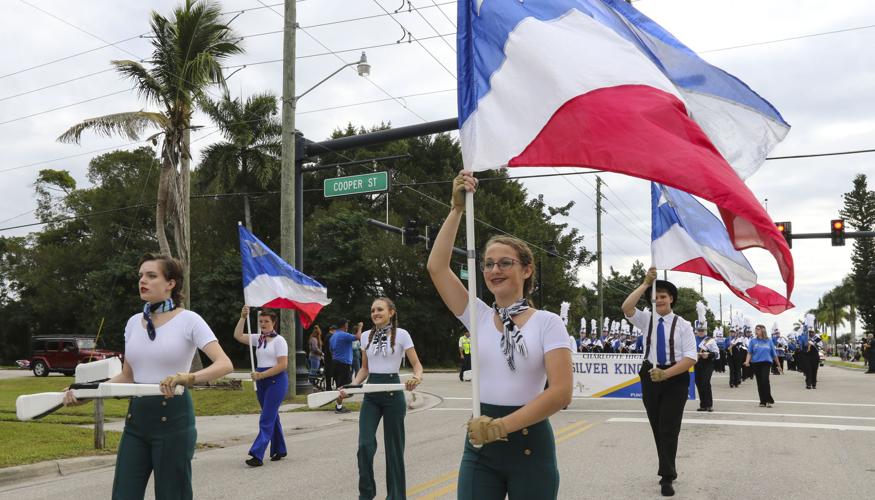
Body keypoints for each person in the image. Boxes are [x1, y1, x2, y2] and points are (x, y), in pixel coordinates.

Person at [427, 170, 572, 500]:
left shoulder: (548, 323)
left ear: (526, 269)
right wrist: (456, 209)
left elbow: (561, 393)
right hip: (480, 447)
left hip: (530, 448)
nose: (494, 270)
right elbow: (437, 268)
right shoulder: (477, 315)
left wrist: (501, 427)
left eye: (505, 263)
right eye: (488, 264)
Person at [64, 253, 233, 499]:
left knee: (172, 494)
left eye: (152, 276)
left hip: (174, 419)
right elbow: (127, 376)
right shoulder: (133, 323)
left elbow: (224, 364)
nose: (142, 280)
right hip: (136, 421)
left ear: (171, 283)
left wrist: (187, 378)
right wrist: (85, 394)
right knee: (123, 494)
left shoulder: (189, 320)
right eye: (141, 275)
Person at [338, 297, 423, 500]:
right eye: (373, 310)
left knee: (394, 451)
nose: (375, 313)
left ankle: (395, 497)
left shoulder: (402, 334)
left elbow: (417, 365)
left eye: (380, 309)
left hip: (394, 394)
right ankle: (366, 494)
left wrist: (416, 377)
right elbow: (364, 369)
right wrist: (352, 387)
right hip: (371, 395)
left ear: (391, 312)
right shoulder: (365, 336)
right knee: (364, 446)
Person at [622, 267, 696, 497]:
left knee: (669, 428)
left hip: (675, 378)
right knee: (657, 426)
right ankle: (667, 467)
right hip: (650, 374)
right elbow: (626, 307)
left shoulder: (683, 325)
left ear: (671, 298)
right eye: (655, 297)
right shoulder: (647, 320)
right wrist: (646, 284)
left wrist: (667, 374)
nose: (659, 300)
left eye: (663, 296)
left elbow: (690, 358)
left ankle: (667, 476)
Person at [233, 306, 288, 466]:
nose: (263, 324)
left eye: (266, 321)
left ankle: (257, 454)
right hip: (261, 381)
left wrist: (262, 375)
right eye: (261, 321)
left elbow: (282, 365)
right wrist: (243, 317)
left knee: (266, 418)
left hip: (276, 381)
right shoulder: (258, 338)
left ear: (274, 323)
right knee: (272, 416)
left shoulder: (279, 340)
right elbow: (237, 335)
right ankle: (279, 449)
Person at [330, 319, 362, 413]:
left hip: (335, 362)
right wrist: (360, 327)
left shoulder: (333, 336)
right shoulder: (344, 335)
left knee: (340, 386)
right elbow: (358, 337)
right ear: (345, 325)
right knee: (347, 390)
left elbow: (331, 349)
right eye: (347, 323)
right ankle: (336, 401)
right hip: (343, 364)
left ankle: (339, 406)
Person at [744, 324, 780, 407]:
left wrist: (778, 365)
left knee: (765, 380)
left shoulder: (769, 341)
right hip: (756, 363)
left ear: (763, 330)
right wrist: (747, 361)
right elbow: (749, 352)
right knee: (759, 382)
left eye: (758, 329)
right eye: (756, 329)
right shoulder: (753, 341)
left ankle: (768, 400)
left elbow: (774, 354)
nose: (756, 330)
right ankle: (762, 401)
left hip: (766, 363)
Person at [694, 322, 718, 412]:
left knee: (705, 383)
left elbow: (716, 353)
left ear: (705, 331)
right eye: (699, 330)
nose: (701, 332)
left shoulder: (710, 340)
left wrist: (708, 355)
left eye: (702, 330)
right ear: (697, 331)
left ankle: (709, 405)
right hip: (696, 363)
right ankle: (703, 405)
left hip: (707, 363)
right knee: (699, 383)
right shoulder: (693, 339)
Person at [323, 325, 336, 390]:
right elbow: (330, 347)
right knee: (329, 372)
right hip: (329, 357)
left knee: (328, 371)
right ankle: (329, 387)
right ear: (333, 330)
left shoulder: (327, 335)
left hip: (327, 356)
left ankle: (328, 386)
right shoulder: (330, 336)